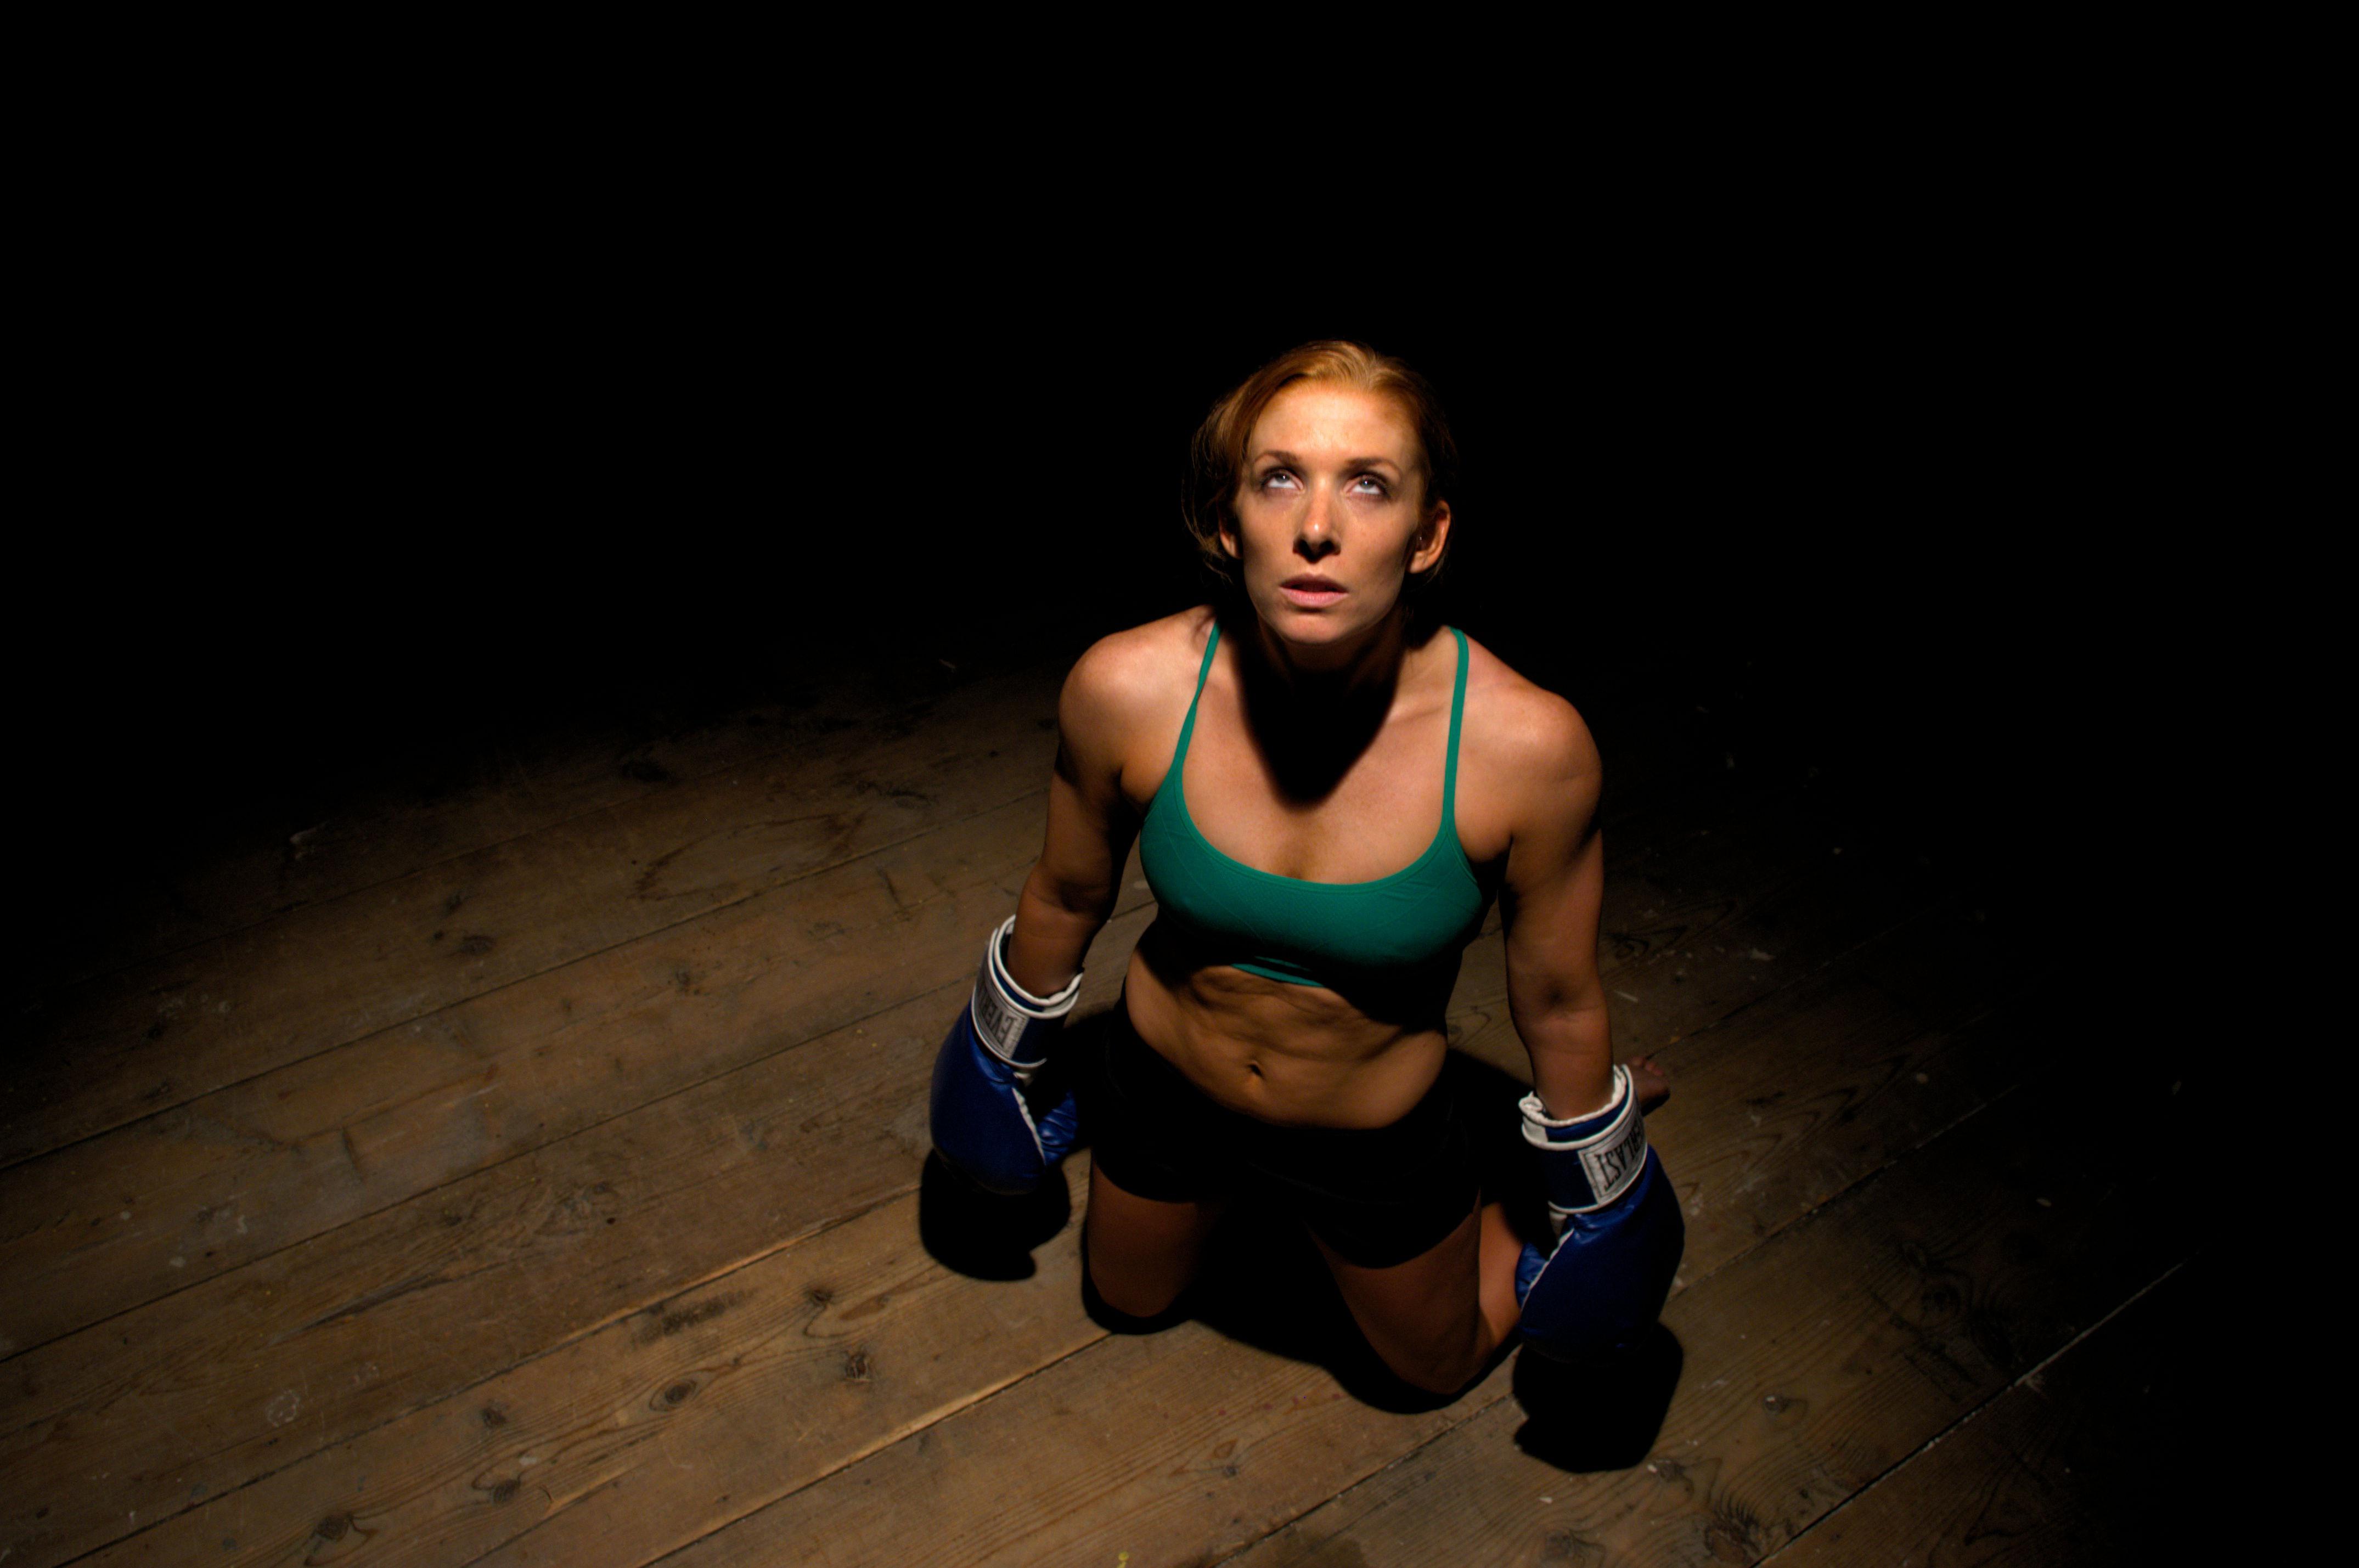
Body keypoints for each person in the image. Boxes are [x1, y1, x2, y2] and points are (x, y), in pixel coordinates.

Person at [930, 340, 1681, 1396]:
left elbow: (1557, 1000)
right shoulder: (1129, 687)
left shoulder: (1526, 750)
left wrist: (1597, 1173)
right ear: (1229, 519)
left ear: (1427, 534)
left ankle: (1502, 1198)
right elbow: (1068, 892)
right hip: (1167, 1084)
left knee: (1435, 1368)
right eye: (1280, 477)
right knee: (1125, 1298)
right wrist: (998, 1061)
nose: (1317, 526)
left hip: (1370, 1139)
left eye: (1368, 485)